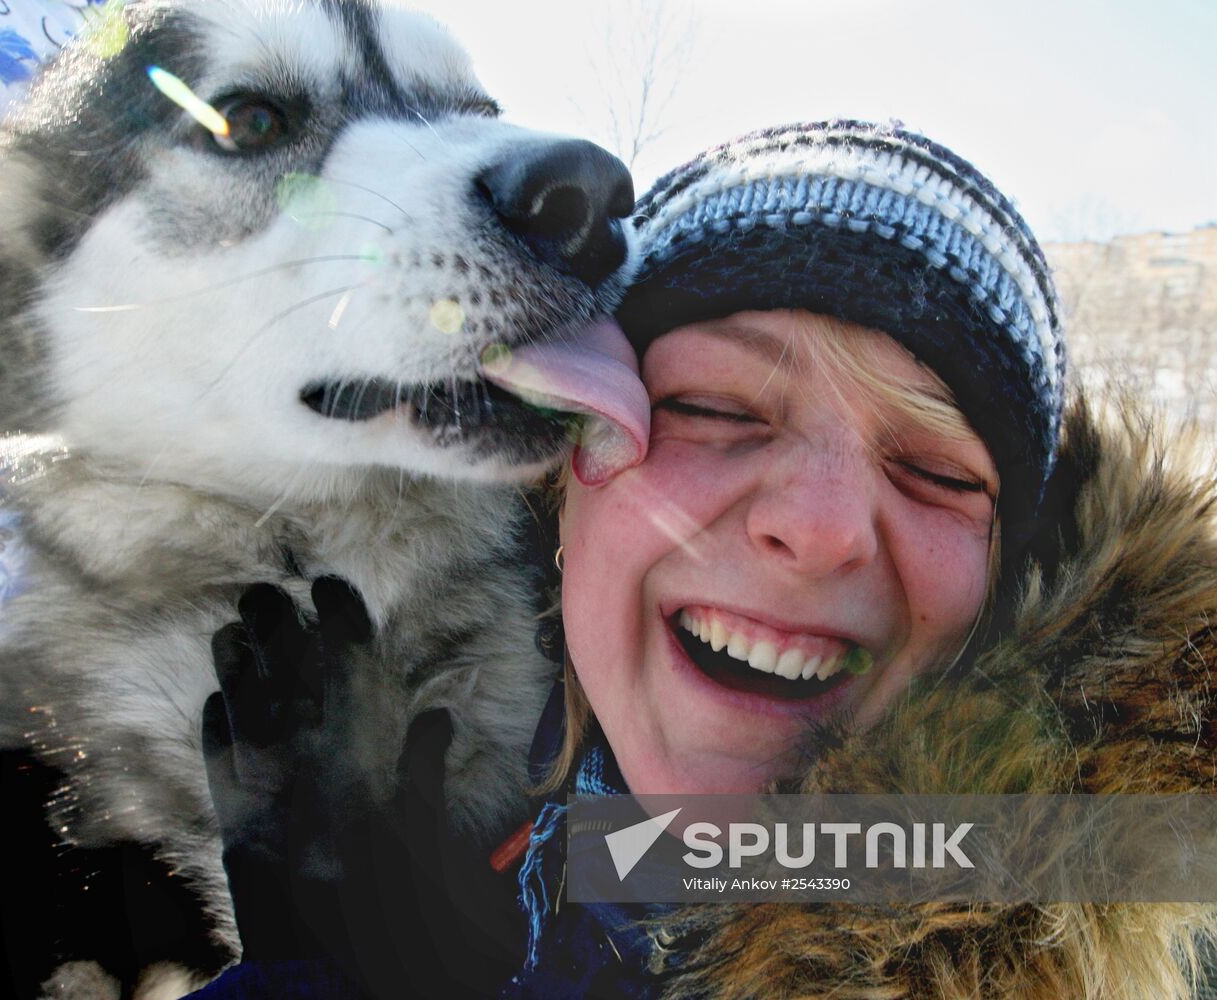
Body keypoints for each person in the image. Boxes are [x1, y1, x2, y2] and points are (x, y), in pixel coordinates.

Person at [190, 121, 1217, 999]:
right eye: (711, 409)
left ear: (1016, 582)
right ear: (560, 480)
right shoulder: (508, 812)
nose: (817, 529)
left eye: (940, 473)